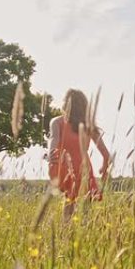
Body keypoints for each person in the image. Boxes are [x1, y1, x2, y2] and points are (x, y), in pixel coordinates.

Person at [48, 89, 110, 219]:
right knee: (85, 209)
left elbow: (54, 142)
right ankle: (85, 234)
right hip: (84, 169)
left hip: (65, 167)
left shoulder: (56, 122)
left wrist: (51, 156)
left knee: (68, 204)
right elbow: (106, 154)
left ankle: (66, 235)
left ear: (66, 104)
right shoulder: (89, 126)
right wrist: (104, 169)